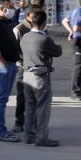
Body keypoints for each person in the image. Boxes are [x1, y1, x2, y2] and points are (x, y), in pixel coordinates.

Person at [20, 11, 63, 147]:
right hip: (40, 76)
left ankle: (29, 136)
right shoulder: (44, 39)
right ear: (44, 23)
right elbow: (58, 51)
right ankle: (41, 137)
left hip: (26, 75)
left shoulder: (25, 37)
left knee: (30, 107)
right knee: (43, 108)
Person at [0, 0, 22, 142]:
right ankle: (0, 131)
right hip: (0, 66)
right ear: (1, 8)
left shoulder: (5, 23)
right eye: (9, 6)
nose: (12, 8)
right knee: (1, 99)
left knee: (2, 99)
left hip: (8, 64)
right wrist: (3, 65)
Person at [11, 7, 38, 133]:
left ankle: (34, 122)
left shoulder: (38, 27)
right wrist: (20, 64)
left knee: (35, 96)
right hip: (23, 67)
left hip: (36, 67)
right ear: (27, 15)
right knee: (21, 96)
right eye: (34, 15)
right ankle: (19, 122)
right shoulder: (19, 29)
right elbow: (14, 49)